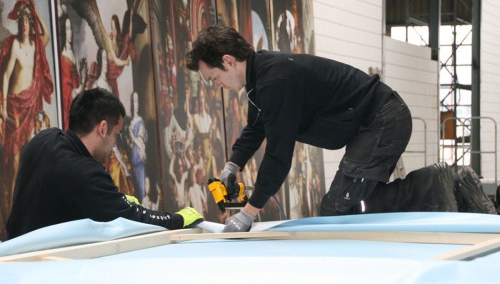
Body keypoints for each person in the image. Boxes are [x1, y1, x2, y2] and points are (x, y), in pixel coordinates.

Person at [185, 25, 497, 233]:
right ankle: (439, 187)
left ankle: (440, 181)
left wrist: (248, 214)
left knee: (339, 208)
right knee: (348, 207)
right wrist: (233, 163)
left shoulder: (274, 80)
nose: (220, 87)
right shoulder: (260, 78)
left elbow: (279, 155)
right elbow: (256, 127)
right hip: (373, 123)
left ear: (227, 61)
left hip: (381, 120)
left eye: (214, 79)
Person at [6, 88, 203, 239]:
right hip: (49, 268)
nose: (115, 143)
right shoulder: (86, 173)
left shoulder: (44, 140)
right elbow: (135, 218)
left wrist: (113, 199)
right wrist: (177, 219)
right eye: (116, 135)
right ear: (102, 128)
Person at [0, 0, 53, 210]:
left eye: (27, 22)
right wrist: (3, 105)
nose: (23, 26)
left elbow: (47, 35)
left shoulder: (36, 45)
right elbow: (5, 76)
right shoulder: (14, 46)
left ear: (31, 24)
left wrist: (36, 12)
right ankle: (10, 208)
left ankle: (24, 206)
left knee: (27, 159)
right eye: (21, 22)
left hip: (29, 107)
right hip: (14, 107)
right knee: (13, 161)